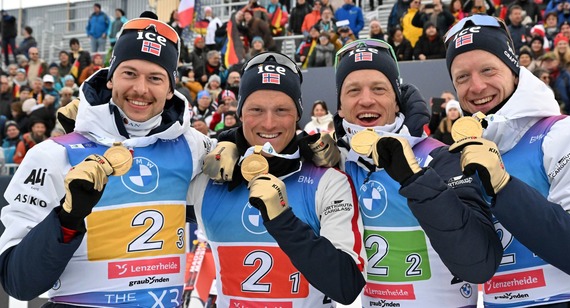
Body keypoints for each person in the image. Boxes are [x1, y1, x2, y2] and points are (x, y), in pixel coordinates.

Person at [0, 15, 211, 306]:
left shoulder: (193, 146)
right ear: (110, 76)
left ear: (171, 88)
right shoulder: (53, 155)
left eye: (155, 78)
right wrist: (67, 219)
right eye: (129, 73)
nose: (140, 89)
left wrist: (233, 144)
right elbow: (18, 283)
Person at [445, 15, 570, 307]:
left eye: (488, 70)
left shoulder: (567, 135)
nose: (476, 87)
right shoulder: (469, 154)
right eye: (462, 77)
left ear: (514, 70)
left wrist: (504, 187)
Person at [326, 39, 502, 306]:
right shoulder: (336, 164)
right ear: (339, 106)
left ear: (397, 101)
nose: (366, 100)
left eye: (379, 89)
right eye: (353, 90)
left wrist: (417, 180)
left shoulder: (440, 157)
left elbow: (479, 264)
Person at [189, 52, 366, 306]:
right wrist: (225, 140)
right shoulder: (211, 177)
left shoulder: (328, 181)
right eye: (256, 110)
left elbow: (346, 286)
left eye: (282, 110)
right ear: (240, 113)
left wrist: (283, 220)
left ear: (298, 114)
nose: (269, 123)